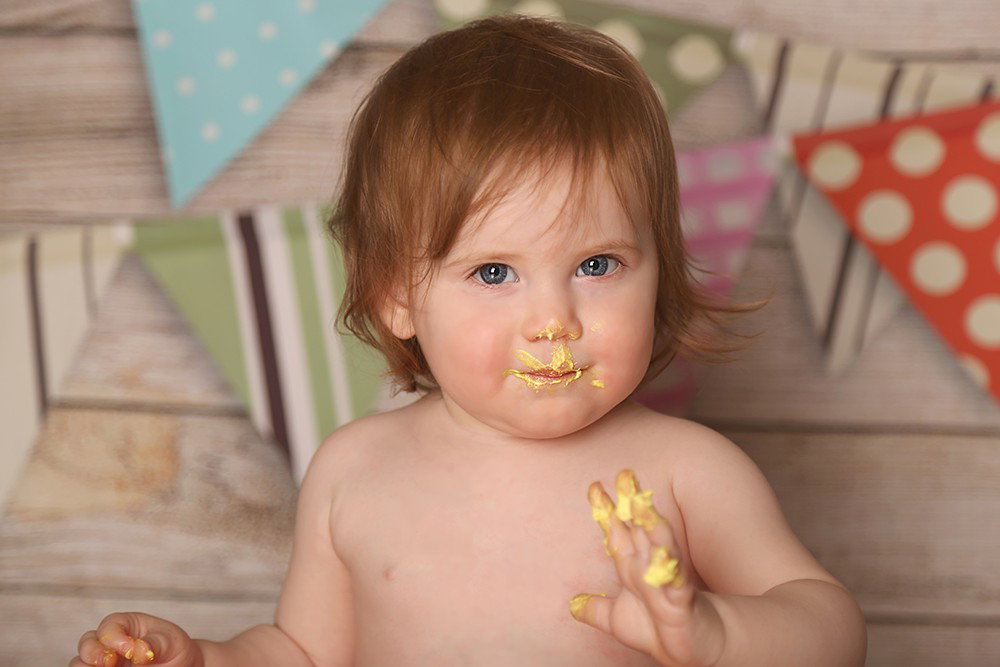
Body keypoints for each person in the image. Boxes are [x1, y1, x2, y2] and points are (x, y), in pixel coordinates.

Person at [71, 14, 866, 667]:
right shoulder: (356, 469)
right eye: (494, 273)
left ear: (658, 266)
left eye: (596, 263)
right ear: (397, 294)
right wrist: (206, 659)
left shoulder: (685, 472)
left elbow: (832, 628)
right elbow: (301, 650)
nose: (552, 318)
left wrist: (718, 634)